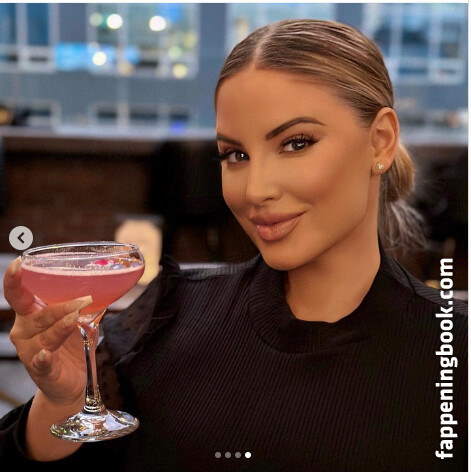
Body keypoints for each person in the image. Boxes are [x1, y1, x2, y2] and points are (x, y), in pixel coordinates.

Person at [0, 19, 467, 471]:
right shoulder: (168, 318)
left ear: (380, 142)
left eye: (296, 143)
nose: (255, 189)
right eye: (235, 155)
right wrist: (62, 403)